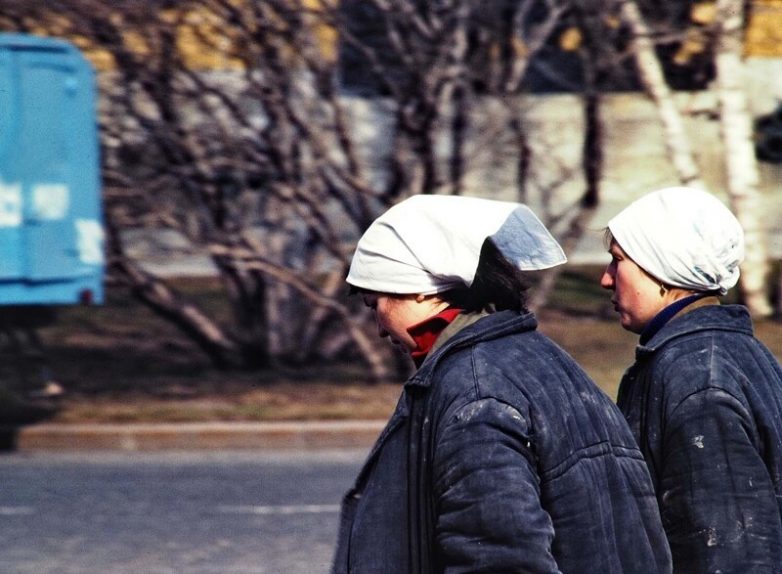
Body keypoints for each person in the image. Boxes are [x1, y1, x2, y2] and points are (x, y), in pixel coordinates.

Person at [332, 194, 672, 573]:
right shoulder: (541, 358)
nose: (379, 328)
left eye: (375, 304)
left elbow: (500, 558)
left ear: (421, 287)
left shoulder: (475, 390)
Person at [600, 186, 782, 572]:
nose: (606, 279)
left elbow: (727, 549)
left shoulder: (697, 379)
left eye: (618, 261)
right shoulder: (735, 353)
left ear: (663, 269)